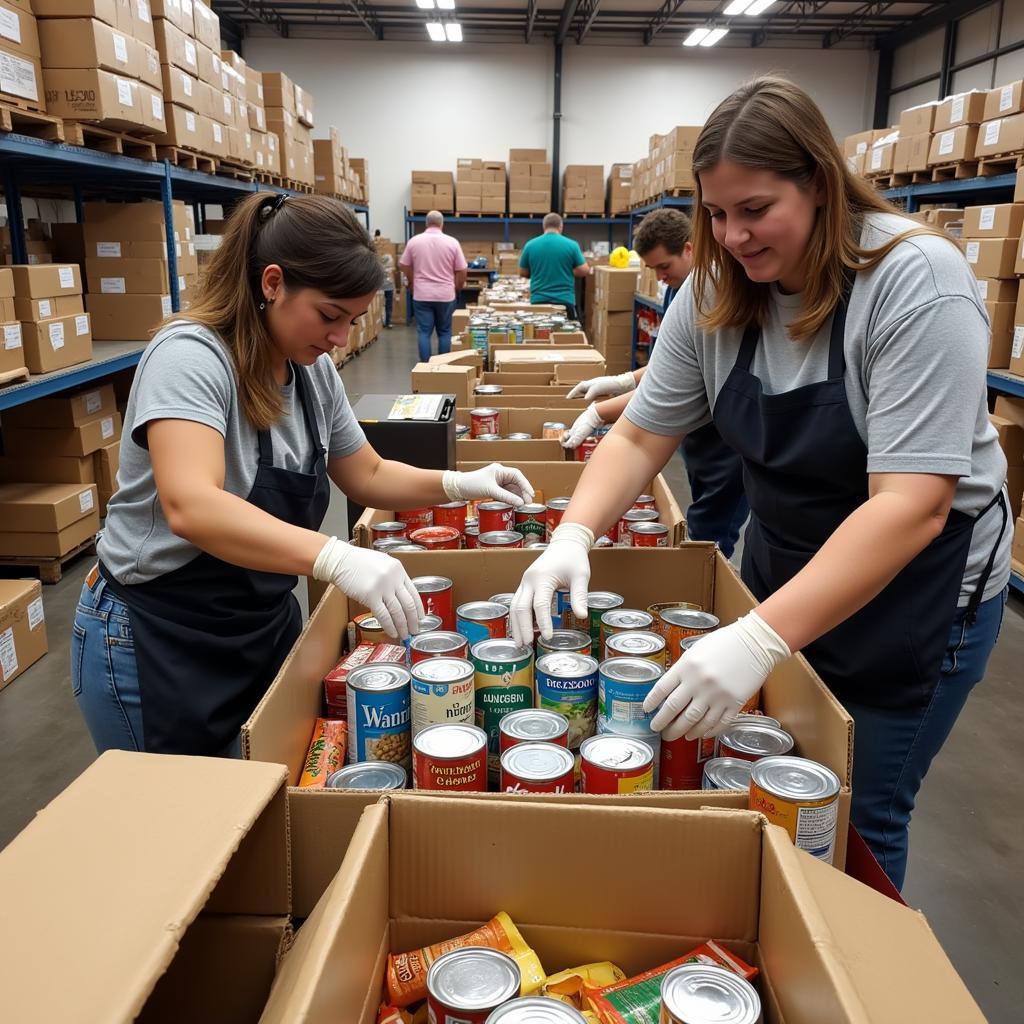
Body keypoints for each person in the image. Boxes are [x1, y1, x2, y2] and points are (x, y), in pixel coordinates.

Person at [511, 77, 1010, 889]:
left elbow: (912, 504)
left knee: (854, 813)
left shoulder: (915, 281)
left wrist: (757, 639)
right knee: (764, 779)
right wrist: (573, 532)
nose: (732, 235)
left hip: (920, 595)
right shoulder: (712, 290)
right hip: (789, 564)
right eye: (715, 212)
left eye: (755, 209)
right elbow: (640, 433)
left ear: (817, 183)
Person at [72, 193, 533, 758]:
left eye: (354, 321)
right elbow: (191, 504)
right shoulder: (189, 357)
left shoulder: (310, 373)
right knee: (175, 820)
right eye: (330, 316)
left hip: (253, 624)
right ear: (272, 284)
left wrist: (459, 484)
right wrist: (335, 557)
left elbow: (367, 471)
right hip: (156, 633)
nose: (341, 338)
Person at [562, 208, 749, 558]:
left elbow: (685, 379)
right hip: (695, 436)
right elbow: (672, 365)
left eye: (665, 267)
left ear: (690, 250)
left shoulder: (720, 295)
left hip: (726, 442)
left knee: (711, 532)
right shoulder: (678, 291)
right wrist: (620, 381)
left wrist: (602, 412)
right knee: (701, 517)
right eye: (654, 270)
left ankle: (712, 582)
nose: (661, 278)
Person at [400, 210, 467, 361]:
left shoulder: (414, 241)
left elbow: (403, 265)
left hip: (422, 294)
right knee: (444, 332)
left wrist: (412, 282)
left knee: (424, 332)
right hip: (445, 295)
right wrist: (456, 287)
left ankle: (425, 366)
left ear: (426, 223)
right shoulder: (452, 242)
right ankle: (442, 365)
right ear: (442, 223)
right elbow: (462, 270)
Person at [519, 212, 592, 319]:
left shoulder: (530, 245)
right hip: (564, 301)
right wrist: (565, 271)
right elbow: (584, 270)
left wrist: (539, 271)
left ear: (543, 227)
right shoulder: (572, 245)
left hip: (538, 301)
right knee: (564, 334)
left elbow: (523, 272)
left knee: (540, 334)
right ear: (561, 226)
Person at [380, 250, 395, 329]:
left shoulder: (388, 269)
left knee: (387, 306)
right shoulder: (381, 269)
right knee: (384, 306)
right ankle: (384, 322)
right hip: (383, 289)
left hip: (387, 289)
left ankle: (387, 322)